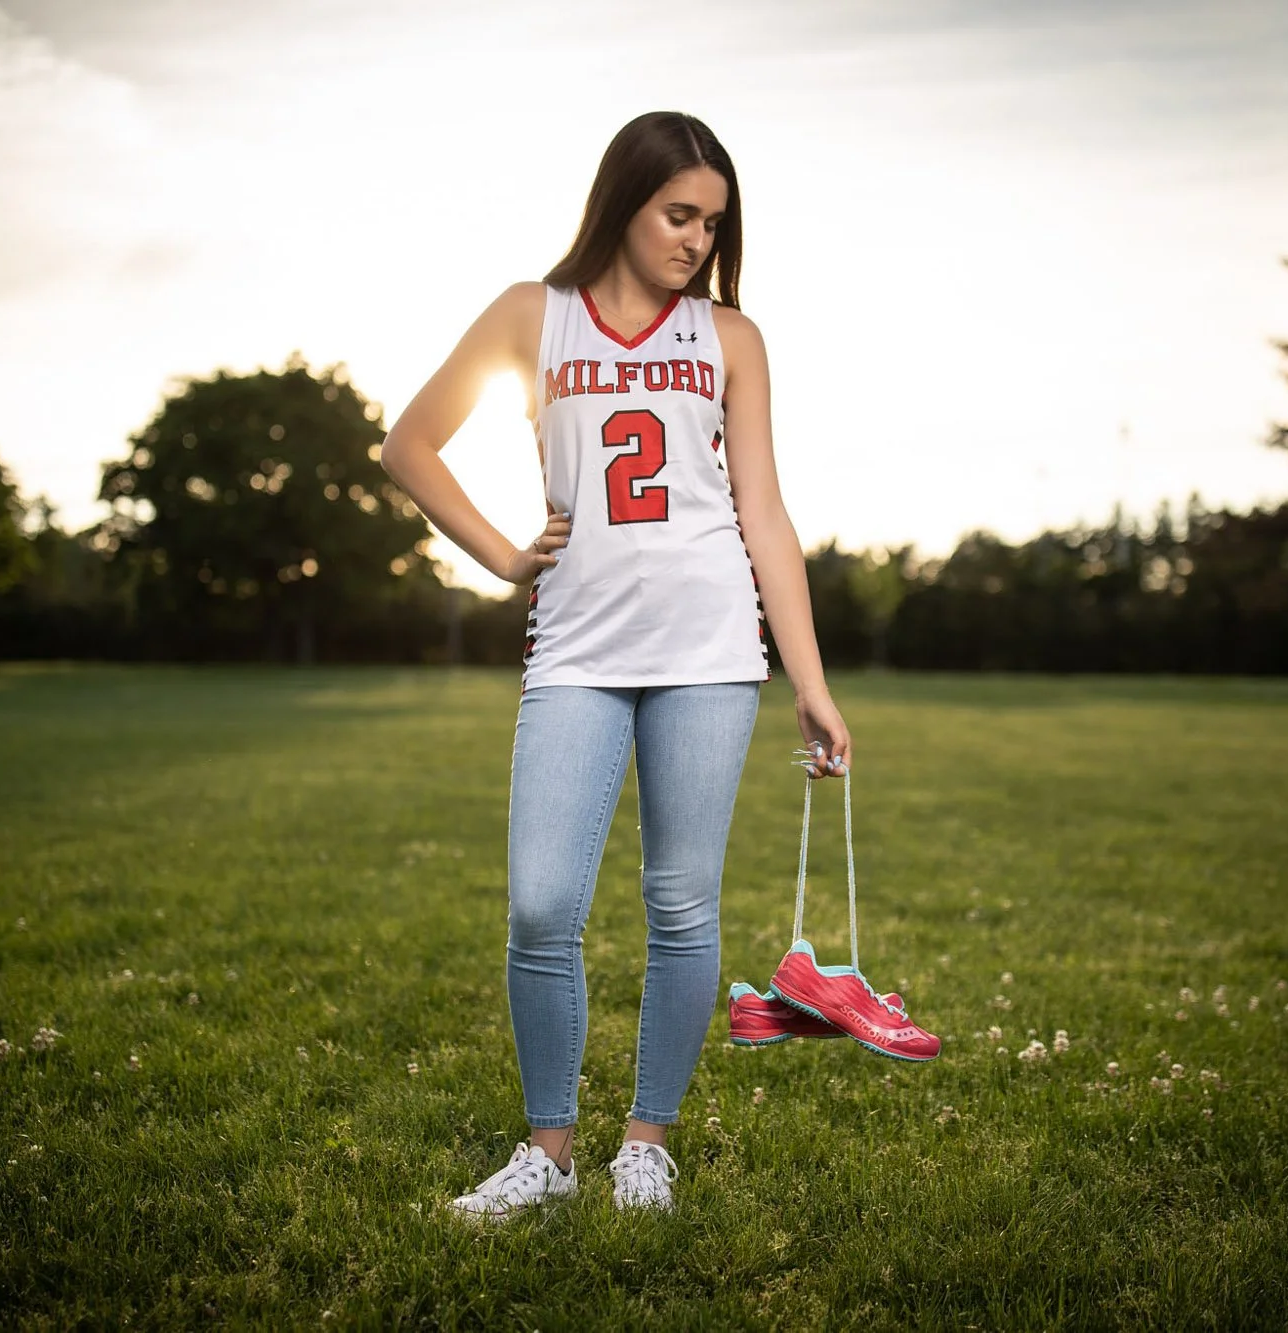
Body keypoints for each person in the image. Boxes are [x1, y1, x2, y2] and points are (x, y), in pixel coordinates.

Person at [380, 110, 851, 1220]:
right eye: (676, 214)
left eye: (711, 222)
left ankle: (647, 1140)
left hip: (708, 650)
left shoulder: (729, 338)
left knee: (680, 904)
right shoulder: (527, 316)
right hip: (576, 653)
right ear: (622, 203)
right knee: (543, 905)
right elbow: (407, 443)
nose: (695, 239)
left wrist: (809, 679)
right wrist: (502, 554)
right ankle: (546, 1154)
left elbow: (764, 513)